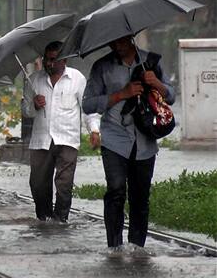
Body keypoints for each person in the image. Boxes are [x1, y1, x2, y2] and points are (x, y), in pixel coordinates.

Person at [83, 35, 175, 254]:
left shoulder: (151, 62)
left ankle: (137, 247)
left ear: (130, 38)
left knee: (140, 195)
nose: (116, 46)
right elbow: (88, 104)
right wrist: (120, 95)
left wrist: (156, 83)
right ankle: (114, 246)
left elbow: (171, 97)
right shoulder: (102, 67)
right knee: (115, 190)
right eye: (112, 42)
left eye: (121, 41)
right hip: (114, 140)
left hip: (145, 141)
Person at [22, 41, 100, 223]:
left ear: (64, 60)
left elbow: (87, 108)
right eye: (46, 59)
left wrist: (94, 130)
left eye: (53, 60)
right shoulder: (33, 80)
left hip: (67, 140)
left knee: (64, 184)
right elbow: (26, 111)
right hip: (41, 140)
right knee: (38, 184)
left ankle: (60, 221)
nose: (49, 64)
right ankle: (44, 219)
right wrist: (33, 105)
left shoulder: (77, 79)